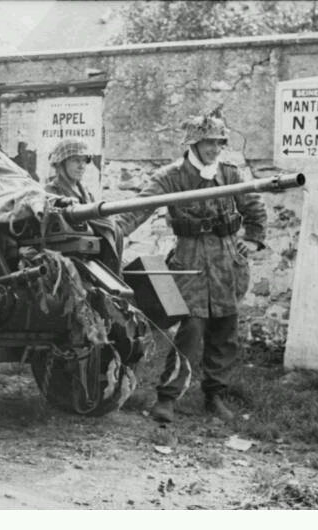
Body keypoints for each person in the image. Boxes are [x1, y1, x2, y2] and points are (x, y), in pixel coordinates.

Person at [115, 108, 267, 423]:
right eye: (208, 142)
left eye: (219, 142)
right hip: (190, 261)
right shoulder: (172, 176)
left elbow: (254, 206)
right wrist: (111, 233)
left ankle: (214, 396)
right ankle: (167, 398)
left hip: (227, 262)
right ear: (194, 144)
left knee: (225, 331)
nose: (214, 149)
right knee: (191, 330)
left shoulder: (229, 173)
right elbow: (137, 209)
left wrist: (251, 239)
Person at [45, 138, 123, 274]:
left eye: (84, 161)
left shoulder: (86, 193)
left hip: (93, 257)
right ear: (62, 163)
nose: (81, 166)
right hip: (67, 258)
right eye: (76, 160)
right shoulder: (51, 192)